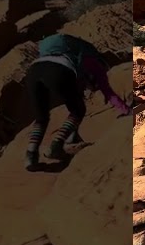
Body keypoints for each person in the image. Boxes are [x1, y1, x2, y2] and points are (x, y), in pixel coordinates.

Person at [24, 33, 130, 171]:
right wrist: (127, 111)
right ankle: (56, 145)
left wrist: (74, 136)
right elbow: (108, 92)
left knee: (41, 117)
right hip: (58, 71)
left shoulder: (74, 58)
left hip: (33, 71)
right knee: (78, 111)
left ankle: (30, 156)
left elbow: (77, 93)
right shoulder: (94, 64)